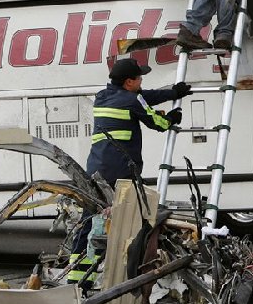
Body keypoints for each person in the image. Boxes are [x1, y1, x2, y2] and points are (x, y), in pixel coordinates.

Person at [70, 58, 192, 256]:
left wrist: (173, 93)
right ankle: (136, 262)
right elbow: (158, 123)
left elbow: (143, 97)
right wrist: (171, 118)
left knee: (90, 218)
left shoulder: (102, 96)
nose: (141, 81)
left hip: (95, 170)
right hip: (122, 172)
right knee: (136, 219)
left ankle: (77, 272)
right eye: (139, 78)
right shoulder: (131, 101)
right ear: (129, 82)